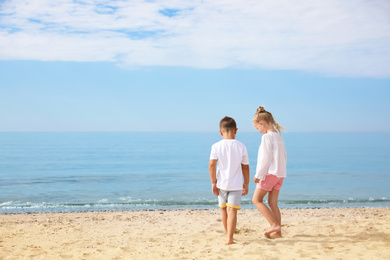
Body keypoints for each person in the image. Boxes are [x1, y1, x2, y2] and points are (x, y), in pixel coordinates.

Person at [209, 116, 250, 245]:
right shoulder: (241, 146)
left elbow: (211, 164)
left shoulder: (216, 146)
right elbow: (245, 167)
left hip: (221, 184)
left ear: (220, 132)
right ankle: (230, 239)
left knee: (224, 210)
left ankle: (227, 235)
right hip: (236, 184)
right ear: (236, 130)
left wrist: (213, 182)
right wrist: (246, 183)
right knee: (232, 211)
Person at [251, 106, 287, 239]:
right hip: (280, 174)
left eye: (257, 128)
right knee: (273, 203)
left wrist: (258, 175)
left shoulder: (267, 137)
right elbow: (284, 156)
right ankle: (278, 234)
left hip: (270, 173)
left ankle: (273, 224)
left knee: (256, 200)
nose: (259, 131)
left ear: (262, 123)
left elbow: (265, 158)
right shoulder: (278, 136)